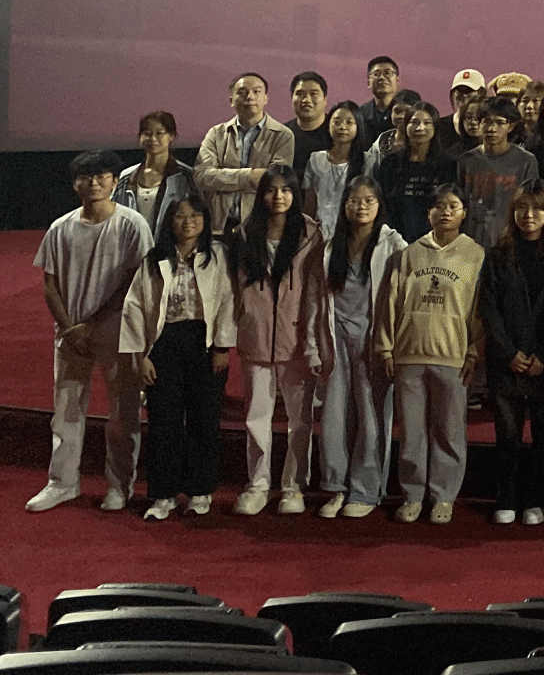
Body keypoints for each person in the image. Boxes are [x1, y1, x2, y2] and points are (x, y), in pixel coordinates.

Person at [119, 192, 233, 521]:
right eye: (180, 216)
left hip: (204, 343)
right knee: (164, 421)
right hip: (164, 342)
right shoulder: (156, 258)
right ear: (169, 221)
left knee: (204, 420)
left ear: (205, 220)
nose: (188, 222)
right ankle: (162, 494)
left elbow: (228, 300)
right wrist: (141, 355)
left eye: (195, 216)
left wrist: (222, 347)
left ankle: (200, 490)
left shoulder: (217, 255)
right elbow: (135, 305)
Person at [382, 182, 484, 524]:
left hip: (452, 356)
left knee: (449, 431)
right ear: (429, 213)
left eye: (453, 205)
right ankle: (412, 494)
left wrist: (473, 352)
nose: (446, 211)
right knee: (412, 433)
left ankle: (443, 496)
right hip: (409, 354)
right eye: (439, 206)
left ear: (464, 212)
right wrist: (386, 348)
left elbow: (479, 311)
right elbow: (391, 302)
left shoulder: (475, 254)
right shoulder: (410, 253)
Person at [230, 164, 328, 516]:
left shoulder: (312, 234)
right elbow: (235, 288)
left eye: (286, 189)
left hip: (297, 338)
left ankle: (293, 486)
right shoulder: (244, 232)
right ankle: (257, 485)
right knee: (256, 417)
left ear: (295, 193)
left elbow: (317, 291)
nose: (278, 196)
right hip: (256, 337)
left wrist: (314, 339)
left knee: (300, 419)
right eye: (271, 190)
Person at [480, 182, 544, 526]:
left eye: (537, 208)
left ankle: (537, 498)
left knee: (543, 433)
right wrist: (508, 352)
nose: (529, 215)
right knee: (507, 434)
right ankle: (506, 497)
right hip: (506, 361)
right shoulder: (499, 254)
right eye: (522, 208)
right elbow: (488, 308)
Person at [318, 177, 403, 519]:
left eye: (369, 200)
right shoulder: (332, 244)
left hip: (373, 338)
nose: (361, 206)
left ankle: (366, 490)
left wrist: (390, 343)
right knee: (335, 413)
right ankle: (336, 486)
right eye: (354, 200)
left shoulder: (393, 244)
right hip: (336, 335)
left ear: (380, 205)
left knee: (371, 414)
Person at [195, 72, 296, 234]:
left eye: (256, 92)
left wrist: (222, 178)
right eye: (242, 92)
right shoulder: (216, 134)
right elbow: (202, 176)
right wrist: (250, 176)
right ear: (231, 100)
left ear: (265, 99)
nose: (249, 97)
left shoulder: (283, 135)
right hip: (219, 225)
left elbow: (274, 181)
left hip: (261, 226)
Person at [460, 97, 541, 253]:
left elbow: (531, 203)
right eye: (487, 122)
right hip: (471, 243)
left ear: (511, 126)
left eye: (499, 122)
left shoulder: (526, 161)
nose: (492, 128)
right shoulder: (466, 162)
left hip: (511, 243)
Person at [375, 102, 458, 243]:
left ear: (435, 127)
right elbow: (382, 206)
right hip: (394, 240)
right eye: (414, 122)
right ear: (406, 126)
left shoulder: (448, 165)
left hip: (435, 241)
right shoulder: (390, 164)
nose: (420, 128)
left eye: (427, 123)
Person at [115, 111, 193, 235]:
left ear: (171, 136)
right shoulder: (126, 176)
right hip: (132, 243)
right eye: (147, 133)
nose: (153, 139)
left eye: (159, 133)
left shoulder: (185, 175)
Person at [301, 101, 366, 244]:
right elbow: (309, 206)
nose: (343, 127)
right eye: (337, 122)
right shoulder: (316, 159)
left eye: (349, 122)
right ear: (328, 125)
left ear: (358, 126)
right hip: (318, 237)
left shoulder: (366, 161)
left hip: (351, 237)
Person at [288, 72, 333, 169]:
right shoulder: (283, 134)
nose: (306, 100)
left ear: (325, 99)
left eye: (313, 94)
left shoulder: (338, 132)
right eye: (300, 94)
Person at [358, 56, 402, 151]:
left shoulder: (408, 113)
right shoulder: (359, 114)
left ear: (397, 80)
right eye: (376, 74)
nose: (382, 78)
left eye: (387, 73)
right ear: (368, 82)